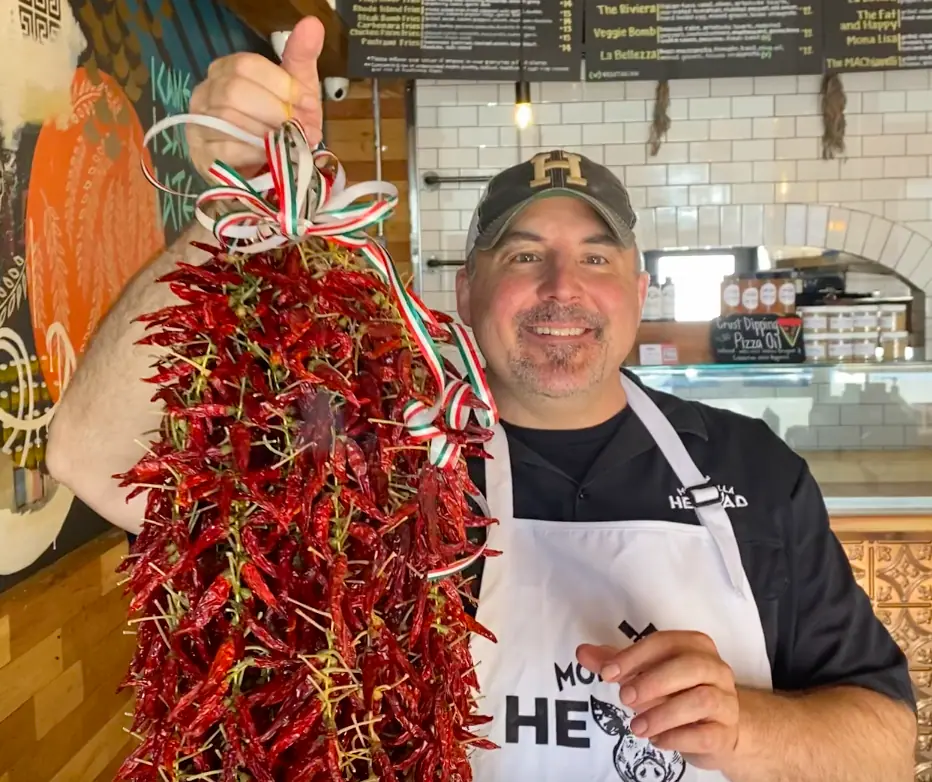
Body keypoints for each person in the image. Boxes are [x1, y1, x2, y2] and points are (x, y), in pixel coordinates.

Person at [47, 15, 917, 782]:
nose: (562, 288)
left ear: (639, 291)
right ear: (465, 292)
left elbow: (882, 747)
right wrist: (233, 206)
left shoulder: (755, 473)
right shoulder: (376, 451)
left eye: (598, 257)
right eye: (524, 254)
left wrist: (745, 727)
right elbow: (87, 454)